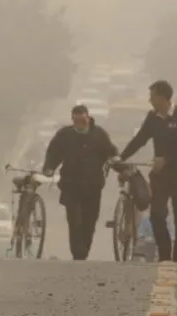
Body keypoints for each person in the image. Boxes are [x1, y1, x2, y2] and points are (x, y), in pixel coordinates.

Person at [113, 80, 177, 263]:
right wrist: (122, 157)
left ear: (163, 97)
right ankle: (165, 255)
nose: (150, 100)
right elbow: (140, 139)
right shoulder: (153, 118)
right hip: (161, 177)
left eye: (152, 96)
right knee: (157, 216)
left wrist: (166, 160)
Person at [42, 104, 118, 260]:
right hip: (71, 185)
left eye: (83, 120)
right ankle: (77, 253)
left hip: (93, 186)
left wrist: (119, 166)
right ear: (72, 120)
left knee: (89, 222)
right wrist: (49, 167)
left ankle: (83, 252)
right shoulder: (64, 135)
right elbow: (54, 153)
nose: (80, 123)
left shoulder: (99, 135)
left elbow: (111, 153)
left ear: (88, 118)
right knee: (74, 221)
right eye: (76, 120)